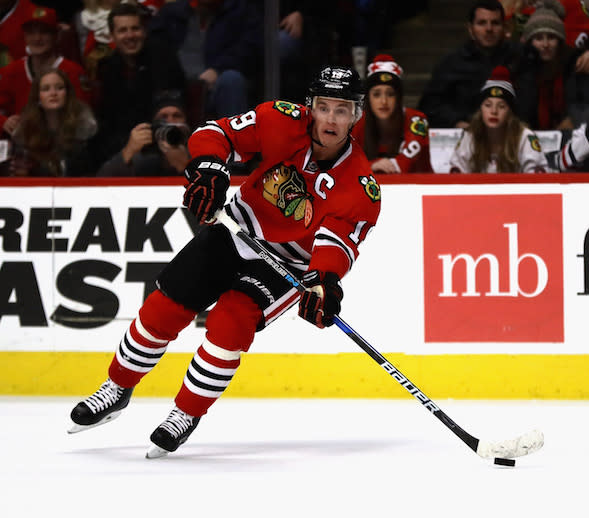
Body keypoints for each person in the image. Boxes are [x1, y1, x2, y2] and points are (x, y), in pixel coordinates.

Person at [68, 66, 381, 457]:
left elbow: (335, 245)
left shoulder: (362, 186)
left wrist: (323, 282)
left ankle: (185, 413)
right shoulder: (281, 119)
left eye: (341, 109)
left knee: (229, 323)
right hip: (236, 228)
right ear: (310, 107)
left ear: (356, 115)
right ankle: (117, 388)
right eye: (323, 107)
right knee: (163, 310)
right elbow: (215, 133)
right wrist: (210, 168)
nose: (331, 119)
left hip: (289, 263)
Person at [93, 3, 186, 167]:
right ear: (112, 36)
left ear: (144, 31)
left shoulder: (164, 59)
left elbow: (170, 108)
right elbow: (107, 121)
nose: (130, 35)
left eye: (135, 28)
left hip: (163, 140)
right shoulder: (106, 68)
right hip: (123, 145)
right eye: (122, 30)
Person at [149, 0, 262, 120]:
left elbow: (250, 47)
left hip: (216, 85)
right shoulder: (170, 12)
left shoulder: (241, 10)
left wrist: (218, 69)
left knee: (232, 79)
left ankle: (233, 136)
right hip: (176, 86)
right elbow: (154, 46)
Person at [417, 0, 521, 129]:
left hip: (509, 134)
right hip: (464, 134)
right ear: (470, 29)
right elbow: (429, 105)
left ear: (504, 28)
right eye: (481, 23)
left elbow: (527, 102)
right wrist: (457, 122)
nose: (489, 29)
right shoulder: (451, 63)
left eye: (495, 23)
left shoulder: (518, 58)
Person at [511, 1, 589, 130]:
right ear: (529, 42)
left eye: (551, 37)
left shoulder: (578, 63)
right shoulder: (521, 69)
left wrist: (574, 120)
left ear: (560, 40)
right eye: (539, 38)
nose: (545, 44)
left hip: (573, 139)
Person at [0, 6, 92, 137]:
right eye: (31, 33)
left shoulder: (73, 72)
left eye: (44, 32)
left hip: (65, 142)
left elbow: (84, 117)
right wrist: (4, 121)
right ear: (24, 36)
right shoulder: (11, 71)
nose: (37, 38)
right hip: (22, 144)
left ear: (56, 35)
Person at [449, 66, 549, 173]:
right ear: (481, 110)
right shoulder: (471, 135)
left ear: (510, 112)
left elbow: (536, 178)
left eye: (501, 106)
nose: (494, 111)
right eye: (488, 105)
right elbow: (457, 174)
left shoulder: (524, 137)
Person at [7, 67, 97, 176]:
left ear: (67, 94)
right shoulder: (26, 133)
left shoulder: (84, 130)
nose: (53, 93)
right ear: (38, 97)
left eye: (59, 88)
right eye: (46, 89)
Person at [352, 54, 433, 173]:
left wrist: (367, 167)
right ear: (368, 98)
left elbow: (403, 165)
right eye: (376, 94)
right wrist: (372, 166)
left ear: (399, 98)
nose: (383, 101)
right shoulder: (357, 122)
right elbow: (344, 166)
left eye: (390, 94)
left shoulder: (417, 120)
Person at [96, 90, 191, 176]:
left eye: (177, 116)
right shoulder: (143, 156)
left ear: (185, 121)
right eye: (163, 117)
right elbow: (99, 183)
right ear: (154, 124)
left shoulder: (197, 153)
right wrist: (128, 151)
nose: (170, 121)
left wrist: (186, 167)